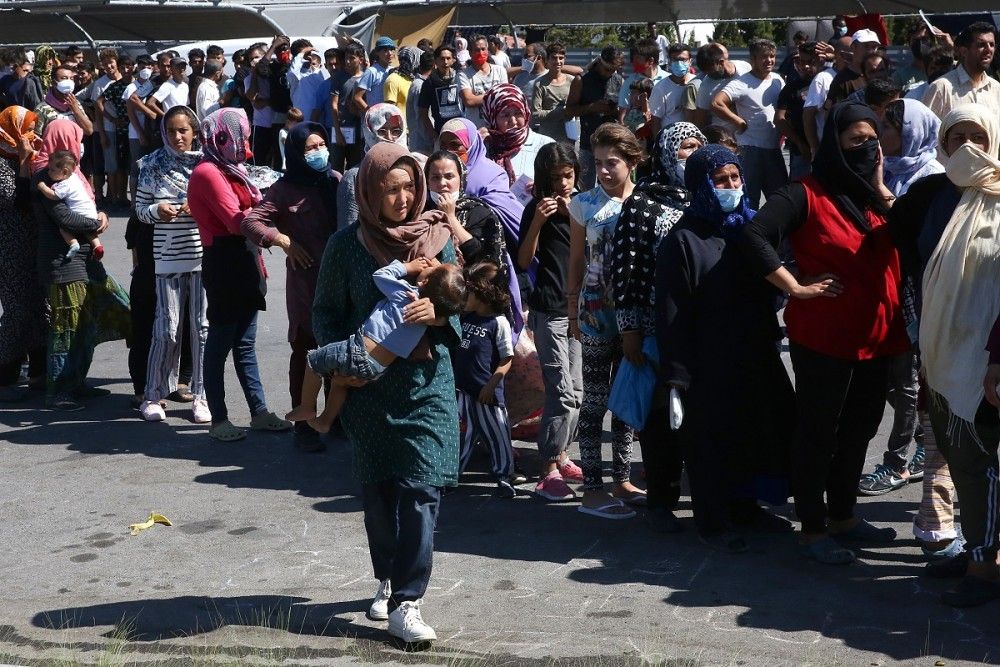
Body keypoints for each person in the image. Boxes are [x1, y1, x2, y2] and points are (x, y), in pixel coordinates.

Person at [739, 101, 909, 564]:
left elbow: (904, 238)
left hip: (879, 338)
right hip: (825, 339)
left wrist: (877, 183)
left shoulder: (877, 196)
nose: (868, 146)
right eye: (856, 140)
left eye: (873, 139)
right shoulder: (804, 193)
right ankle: (813, 529)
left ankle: (844, 516)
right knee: (819, 432)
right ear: (835, 143)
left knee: (861, 429)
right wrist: (795, 286)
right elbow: (754, 235)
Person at [312, 141, 461, 644]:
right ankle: (387, 575)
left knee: (423, 488)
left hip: (427, 382)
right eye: (389, 189)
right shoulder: (345, 246)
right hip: (369, 388)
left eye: (407, 187)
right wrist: (344, 364)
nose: (401, 198)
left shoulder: (439, 239)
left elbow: (468, 304)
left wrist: (438, 315)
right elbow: (325, 314)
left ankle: (407, 600)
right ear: (369, 194)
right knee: (380, 493)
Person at [657, 144, 794, 552]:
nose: (731, 186)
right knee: (711, 443)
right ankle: (713, 521)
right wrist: (677, 375)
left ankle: (747, 507)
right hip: (707, 362)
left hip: (751, 352)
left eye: (735, 178)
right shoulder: (682, 240)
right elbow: (671, 312)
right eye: (721, 180)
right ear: (701, 184)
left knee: (754, 433)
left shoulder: (745, 229)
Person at [916, 105, 1000, 607]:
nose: (969, 146)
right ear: (943, 146)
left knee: (980, 461)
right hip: (943, 351)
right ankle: (975, 546)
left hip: (985, 357)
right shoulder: (938, 197)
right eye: (957, 137)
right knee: (961, 458)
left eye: (979, 137)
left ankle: (985, 565)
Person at [609, 121, 703, 532]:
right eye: (684, 147)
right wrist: (630, 330)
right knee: (661, 418)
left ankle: (706, 498)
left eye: (698, 146)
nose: (692, 154)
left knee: (700, 418)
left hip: (700, 328)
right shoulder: (643, 203)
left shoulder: (706, 196)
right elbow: (625, 271)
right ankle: (661, 501)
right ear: (666, 152)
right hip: (654, 329)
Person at [186, 108, 291, 442]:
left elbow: (255, 211)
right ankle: (219, 419)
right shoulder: (207, 172)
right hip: (225, 262)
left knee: (245, 345)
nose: (244, 142)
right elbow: (237, 220)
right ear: (220, 137)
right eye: (239, 135)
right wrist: (277, 234)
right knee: (219, 345)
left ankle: (259, 412)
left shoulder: (233, 169)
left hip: (246, 259)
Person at [855, 98, 942, 496]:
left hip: (920, 294)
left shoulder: (934, 176)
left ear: (909, 132)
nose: (879, 138)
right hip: (886, 290)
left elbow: (908, 229)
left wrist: (878, 188)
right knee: (900, 382)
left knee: (909, 382)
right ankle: (922, 448)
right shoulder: (886, 168)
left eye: (885, 129)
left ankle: (897, 462)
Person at [240, 121, 339, 452]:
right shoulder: (283, 189)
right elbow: (250, 222)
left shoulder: (336, 182)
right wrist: (283, 240)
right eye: (310, 148)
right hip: (306, 284)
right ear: (296, 152)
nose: (318, 152)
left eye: (321, 145)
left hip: (339, 281)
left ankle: (335, 417)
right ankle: (304, 425)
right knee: (307, 351)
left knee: (338, 349)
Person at [567, 122, 646, 519]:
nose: (603, 170)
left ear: (632, 161)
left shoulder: (645, 202)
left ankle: (623, 478)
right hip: (597, 314)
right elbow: (577, 259)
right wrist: (571, 310)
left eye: (611, 162)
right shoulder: (583, 204)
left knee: (627, 397)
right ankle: (592, 490)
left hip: (636, 316)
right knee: (596, 400)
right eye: (597, 162)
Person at [289, 258, 465, 433]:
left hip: (359, 352)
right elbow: (446, 301)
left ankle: (306, 406)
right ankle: (325, 421)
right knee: (339, 383)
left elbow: (380, 275)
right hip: (378, 368)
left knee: (313, 361)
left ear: (424, 281)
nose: (431, 262)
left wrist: (407, 267)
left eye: (436, 266)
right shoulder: (428, 318)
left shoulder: (406, 295)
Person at [31, 118, 129, 411]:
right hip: (63, 265)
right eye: (74, 139)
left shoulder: (71, 175)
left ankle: (76, 381)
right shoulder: (47, 177)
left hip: (84, 261)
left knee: (88, 321)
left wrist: (101, 216)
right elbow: (65, 218)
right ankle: (60, 390)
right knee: (66, 328)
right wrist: (96, 223)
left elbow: (83, 206)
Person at [517, 143, 585, 501]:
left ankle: (561, 453)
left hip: (579, 311)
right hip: (550, 310)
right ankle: (547, 469)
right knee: (562, 392)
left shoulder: (584, 206)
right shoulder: (536, 209)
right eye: (556, 177)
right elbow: (524, 258)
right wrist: (540, 222)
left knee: (577, 391)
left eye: (568, 175)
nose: (563, 183)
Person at [133, 105, 208, 424]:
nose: (177, 137)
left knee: (202, 330)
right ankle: (152, 395)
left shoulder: (207, 164)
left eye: (183, 131)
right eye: (170, 130)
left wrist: (200, 208)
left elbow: (225, 206)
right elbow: (139, 210)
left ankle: (202, 395)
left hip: (204, 258)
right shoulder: (149, 164)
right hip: (166, 259)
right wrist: (157, 210)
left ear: (194, 132)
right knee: (166, 328)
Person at [437, 116, 526, 336]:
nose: (450, 151)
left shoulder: (490, 175)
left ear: (472, 146)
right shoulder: (437, 180)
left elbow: (508, 214)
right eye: (444, 146)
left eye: (456, 145)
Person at [452, 261, 521, 496]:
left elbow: (506, 358)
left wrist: (492, 385)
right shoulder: (465, 317)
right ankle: (451, 476)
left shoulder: (498, 322)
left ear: (484, 293)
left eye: (469, 291)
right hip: (463, 390)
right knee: (462, 434)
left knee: (498, 435)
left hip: (486, 394)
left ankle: (504, 475)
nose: (465, 296)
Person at [0, 106, 47, 403]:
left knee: (41, 309)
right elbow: (14, 200)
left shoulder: (29, 154)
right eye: (26, 127)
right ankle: (4, 374)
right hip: (9, 245)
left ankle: (40, 374)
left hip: (36, 243)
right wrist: (23, 161)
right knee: (17, 310)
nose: (31, 133)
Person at [711, 38, 786, 207]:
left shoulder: (777, 80)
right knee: (748, 200)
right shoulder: (741, 83)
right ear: (752, 60)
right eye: (764, 57)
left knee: (779, 199)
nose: (769, 61)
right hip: (750, 150)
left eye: (772, 56)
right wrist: (738, 121)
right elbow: (717, 103)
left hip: (773, 148)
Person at [425, 150, 506, 270]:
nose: (442, 183)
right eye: (435, 178)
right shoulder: (419, 211)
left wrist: (450, 217)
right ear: (427, 181)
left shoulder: (479, 213)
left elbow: (485, 260)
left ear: (461, 179)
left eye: (449, 176)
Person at [337, 103, 410, 230]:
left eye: (396, 131)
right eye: (381, 131)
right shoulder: (355, 177)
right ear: (369, 133)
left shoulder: (414, 167)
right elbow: (348, 230)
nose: (389, 138)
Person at [483, 83, 555, 197]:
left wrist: (544, 187)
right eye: (505, 115)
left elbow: (564, 184)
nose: (513, 121)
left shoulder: (546, 146)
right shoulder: (483, 148)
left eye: (518, 113)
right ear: (492, 118)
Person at [566, 46, 622, 189]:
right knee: (586, 189)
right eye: (607, 70)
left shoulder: (618, 80)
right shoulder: (582, 80)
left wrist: (615, 110)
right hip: (588, 143)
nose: (610, 74)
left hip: (611, 143)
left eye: (613, 70)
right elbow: (569, 110)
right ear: (600, 63)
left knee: (611, 185)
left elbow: (623, 110)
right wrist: (593, 107)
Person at [922, 22, 999, 119]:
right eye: (981, 45)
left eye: (992, 44)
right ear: (964, 51)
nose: (989, 49)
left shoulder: (996, 89)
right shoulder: (941, 89)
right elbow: (927, 130)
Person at [35, 150, 102, 259]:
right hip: (92, 215)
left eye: (52, 170)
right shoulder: (75, 178)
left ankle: (73, 244)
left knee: (64, 228)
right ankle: (97, 246)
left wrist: (43, 187)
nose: (48, 172)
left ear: (65, 172)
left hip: (79, 216)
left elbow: (54, 196)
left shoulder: (65, 184)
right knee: (89, 231)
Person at [776, 41, 823, 178]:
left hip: (827, 150)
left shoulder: (830, 81)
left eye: (810, 61)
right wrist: (800, 144)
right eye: (800, 62)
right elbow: (779, 119)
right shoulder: (791, 88)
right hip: (802, 154)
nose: (805, 66)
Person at [692, 42, 751, 132]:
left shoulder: (744, 67)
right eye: (706, 73)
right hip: (726, 137)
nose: (710, 76)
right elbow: (700, 121)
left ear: (721, 62)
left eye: (712, 71)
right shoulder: (705, 88)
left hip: (752, 133)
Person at [329, 43, 366, 173]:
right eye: (346, 58)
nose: (348, 61)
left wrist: (358, 112)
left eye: (351, 58)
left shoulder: (366, 76)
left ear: (360, 59)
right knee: (336, 169)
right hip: (340, 129)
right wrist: (338, 132)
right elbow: (333, 104)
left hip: (359, 132)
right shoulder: (338, 77)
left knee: (355, 169)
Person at [458, 35, 508, 128]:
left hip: (499, 127)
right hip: (478, 129)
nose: (481, 53)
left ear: (487, 50)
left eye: (483, 49)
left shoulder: (500, 70)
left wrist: (479, 98)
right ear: (470, 52)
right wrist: (496, 95)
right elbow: (469, 101)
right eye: (477, 50)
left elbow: (505, 96)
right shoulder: (463, 75)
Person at [649, 43, 697, 138]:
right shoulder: (660, 88)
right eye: (675, 60)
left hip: (694, 138)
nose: (679, 63)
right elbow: (655, 120)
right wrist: (659, 145)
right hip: (670, 139)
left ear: (690, 61)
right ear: (670, 62)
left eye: (683, 60)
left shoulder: (697, 83)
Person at [530, 42, 573, 145]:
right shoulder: (540, 84)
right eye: (554, 58)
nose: (558, 61)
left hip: (570, 137)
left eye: (561, 58)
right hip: (548, 138)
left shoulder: (572, 81)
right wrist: (560, 111)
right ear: (547, 60)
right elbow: (536, 114)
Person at [417, 45, 464, 140]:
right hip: (441, 132)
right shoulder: (429, 82)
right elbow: (423, 112)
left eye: (448, 58)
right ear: (436, 60)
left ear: (453, 60)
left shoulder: (460, 78)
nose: (445, 62)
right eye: (442, 59)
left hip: (462, 129)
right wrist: (434, 135)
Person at [617, 39, 667, 127]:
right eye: (633, 59)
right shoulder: (629, 82)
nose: (633, 62)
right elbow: (623, 112)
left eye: (638, 59)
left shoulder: (667, 80)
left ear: (651, 61)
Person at [34, 65, 94, 137]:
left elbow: (89, 130)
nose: (69, 81)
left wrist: (76, 110)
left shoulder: (75, 103)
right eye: (64, 78)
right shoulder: (42, 109)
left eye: (71, 78)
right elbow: (36, 138)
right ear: (54, 82)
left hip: (75, 147)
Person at [406, 51, 436, 155]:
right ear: (434, 65)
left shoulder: (423, 83)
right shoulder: (420, 86)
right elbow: (422, 116)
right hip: (422, 142)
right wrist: (433, 137)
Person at [355, 37, 396, 111]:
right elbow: (357, 97)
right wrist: (371, 113)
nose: (390, 53)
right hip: (375, 119)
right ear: (377, 52)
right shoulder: (371, 71)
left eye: (391, 50)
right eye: (385, 50)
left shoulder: (392, 70)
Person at [383, 46, 422, 113]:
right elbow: (390, 112)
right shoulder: (393, 80)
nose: (420, 63)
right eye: (418, 59)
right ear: (412, 60)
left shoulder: (413, 78)